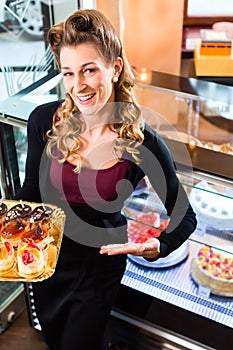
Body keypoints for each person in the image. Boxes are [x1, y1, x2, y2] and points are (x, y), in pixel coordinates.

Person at [14, 9, 197, 350]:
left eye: (89, 70)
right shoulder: (43, 120)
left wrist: (160, 246)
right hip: (47, 261)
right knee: (54, 337)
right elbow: (32, 193)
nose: (77, 86)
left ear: (114, 68)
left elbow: (185, 215)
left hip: (99, 264)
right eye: (68, 73)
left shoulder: (142, 143)